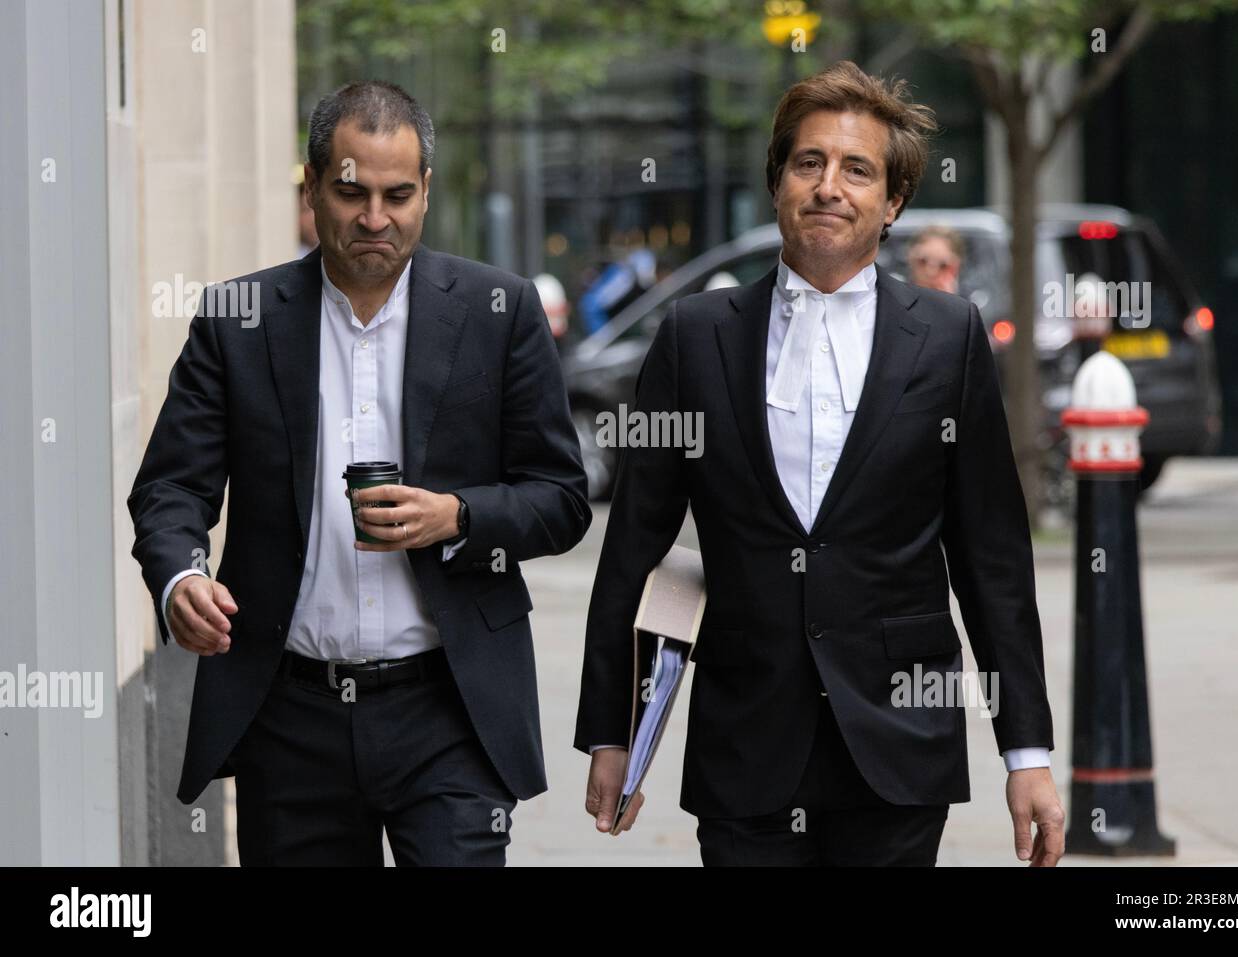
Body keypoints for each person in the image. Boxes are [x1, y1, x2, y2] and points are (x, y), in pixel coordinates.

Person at [574, 61, 1064, 866]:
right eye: (809, 163)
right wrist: (612, 728)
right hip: (746, 743)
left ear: (892, 202)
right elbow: (634, 543)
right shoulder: (693, 337)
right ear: (778, 185)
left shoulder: (949, 339)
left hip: (900, 743)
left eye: (857, 169)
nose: (829, 185)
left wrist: (1027, 753)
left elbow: (992, 561)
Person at [128, 80, 591, 866]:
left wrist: (459, 517)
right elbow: (172, 487)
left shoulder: (498, 312)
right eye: (351, 193)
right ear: (311, 189)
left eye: (397, 194)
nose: (375, 218)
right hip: (288, 711)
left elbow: (562, 497)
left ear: (426, 192)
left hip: (451, 709)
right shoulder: (237, 319)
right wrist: (181, 579)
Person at [906, 224, 964, 294]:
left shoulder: (972, 300)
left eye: (943, 265)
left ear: (955, 266)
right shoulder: (896, 295)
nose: (931, 272)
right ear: (911, 259)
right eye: (923, 261)